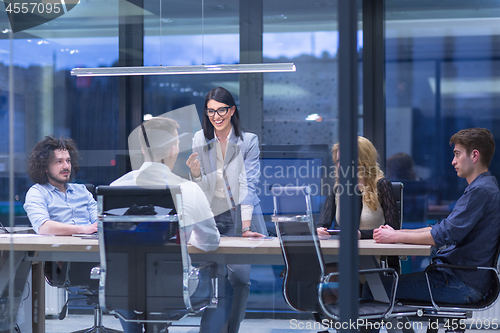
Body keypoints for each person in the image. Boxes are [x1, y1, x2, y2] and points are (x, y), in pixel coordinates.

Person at [111, 116, 232, 333]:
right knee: (225, 286)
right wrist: (187, 233)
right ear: (173, 148)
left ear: (142, 148)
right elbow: (211, 242)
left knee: (127, 286)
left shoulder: (115, 188)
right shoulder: (187, 188)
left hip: (124, 289)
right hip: (175, 289)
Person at [371, 128, 500, 304]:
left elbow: (443, 235)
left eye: (457, 154)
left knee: (374, 288)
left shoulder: (480, 190)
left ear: (474, 155)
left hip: (460, 283)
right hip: (458, 278)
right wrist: (396, 234)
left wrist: (395, 235)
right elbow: (442, 228)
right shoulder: (483, 187)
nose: (453, 161)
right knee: (377, 285)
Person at [186, 86, 267, 333]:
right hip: (211, 215)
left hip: (240, 215)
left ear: (231, 110)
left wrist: (244, 227)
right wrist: (196, 174)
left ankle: (231, 329)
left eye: (221, 110)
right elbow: (200, 188)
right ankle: (210, 329)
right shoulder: (200, 138)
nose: (216, 116)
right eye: (211, 111)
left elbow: (248, 185)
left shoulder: (248, 141)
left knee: (240, 280)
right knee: (213, 278)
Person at [317, 136, 399, 239]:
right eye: (338, 161)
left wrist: (361, 235)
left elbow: (393, 229)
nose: (340, 166)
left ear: (363, 161)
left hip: (376, 251)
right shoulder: (338, 188)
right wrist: (320, 231)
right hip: (346, 251)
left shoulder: (382, 185)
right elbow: (323, 224)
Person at [23, 135, 97, 235]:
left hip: (92, 246)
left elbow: (101, 221)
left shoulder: (82, 190)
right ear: (45, 167)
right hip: (58, 248)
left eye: (68, 161)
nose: (66, 166)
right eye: (59, 161)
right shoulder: (37, 192)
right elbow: (43, 228)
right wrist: (84, 229)